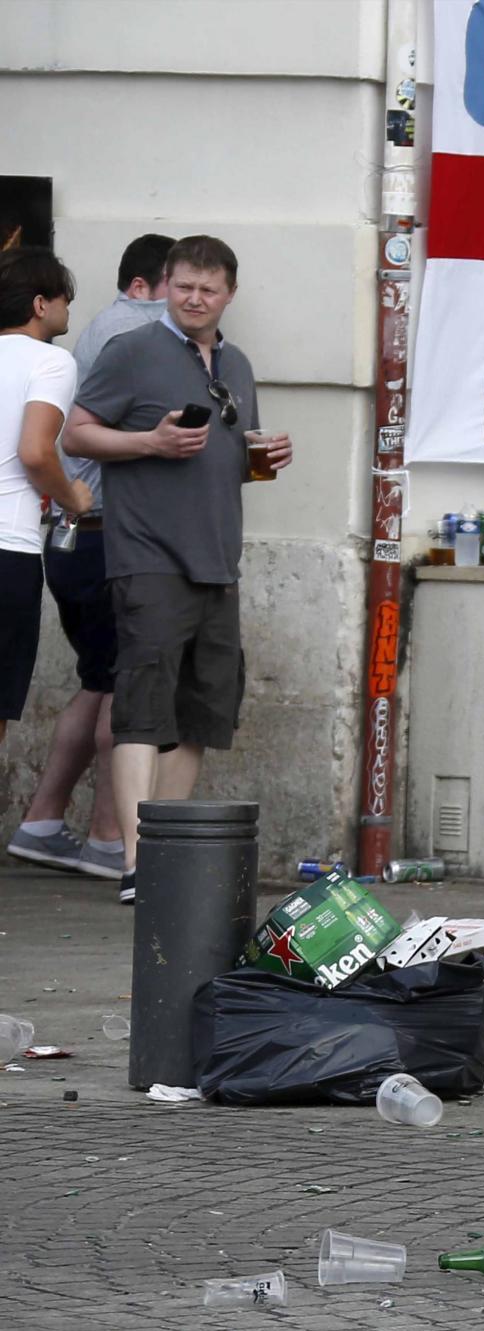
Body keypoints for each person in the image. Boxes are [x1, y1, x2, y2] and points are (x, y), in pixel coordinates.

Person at [61, 235, 293, 905]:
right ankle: (137, 862)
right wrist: (150, 442)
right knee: (141, 710)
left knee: (200, 712)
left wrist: (265, 458)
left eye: (208, 289)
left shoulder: (237, 363)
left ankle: (166, 858)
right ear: (166, 284)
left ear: (229, 295)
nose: (194, 299)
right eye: (184, 286)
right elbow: (75, 434)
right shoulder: (132, 350)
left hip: (217, 559)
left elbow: (232, 460)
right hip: (148, 558)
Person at [7, 235, 172, 878]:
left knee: (99, 679)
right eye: (180, 286)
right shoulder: (121, 335)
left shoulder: (83, 341)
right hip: (91, 531)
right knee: (124, 683)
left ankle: (42, 821)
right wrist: (72, 492)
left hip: (63, 541)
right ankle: (107, 838)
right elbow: (38, 451)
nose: (191, 301)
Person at [0, 248, 92, 751]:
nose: (68, 309)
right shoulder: (51, 360)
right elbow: (35, 451)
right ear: (40, 305)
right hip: (7, 549)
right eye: (64, 299)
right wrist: (72, 495)